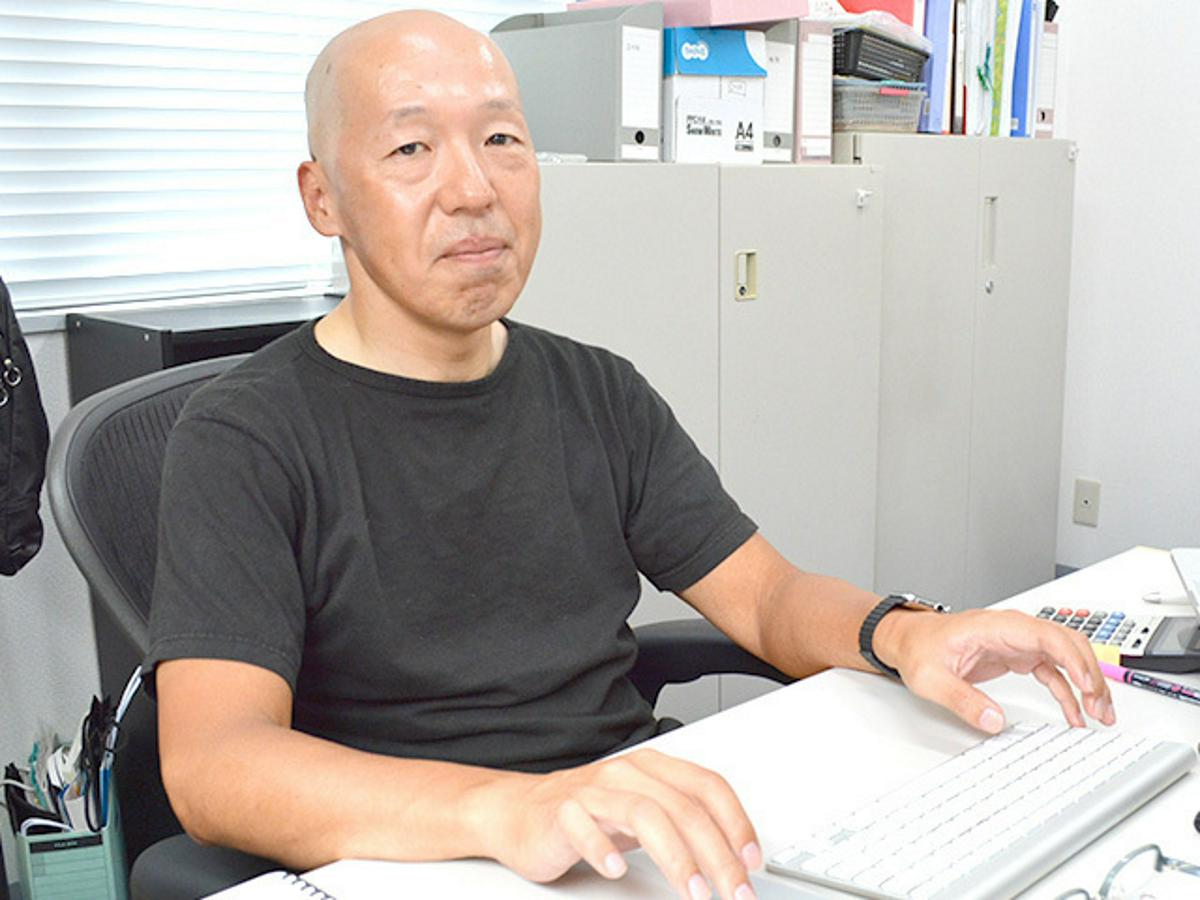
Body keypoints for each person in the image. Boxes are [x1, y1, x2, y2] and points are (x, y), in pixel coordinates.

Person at [146, 11, 1115, 900]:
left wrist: (904, 633)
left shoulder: (596, 391)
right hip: (411, 857)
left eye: (501, 139)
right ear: (323, 198)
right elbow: (213, 763)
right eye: (410, 148)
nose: (474, 190)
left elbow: (766, 598)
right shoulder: (246, 437)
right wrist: (510, 808)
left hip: (620, 830)